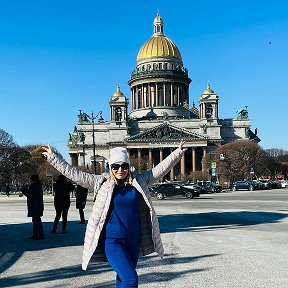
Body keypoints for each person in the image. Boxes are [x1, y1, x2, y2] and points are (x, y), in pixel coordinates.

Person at [42, 141, 187, 287]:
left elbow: (161, 169)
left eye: (124, 166)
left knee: (122, 278)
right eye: (115, 166)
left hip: (133, 241)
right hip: (112, 241)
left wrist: (178, 152)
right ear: (110, 167)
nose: (120, 170)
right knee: (131, 279)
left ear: (128, 167)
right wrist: (54, 158)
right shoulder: (101, 182)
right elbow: (75, 174)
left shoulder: (139, 181)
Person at [21, 174, 44, 240]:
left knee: (36, 220)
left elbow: (30, 194)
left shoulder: (34, 186)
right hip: (38, 204)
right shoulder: (39, 185)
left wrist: (24, 190)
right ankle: (37, 234)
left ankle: (38, 234)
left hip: (34, 205)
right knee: (37, 220)